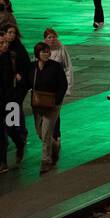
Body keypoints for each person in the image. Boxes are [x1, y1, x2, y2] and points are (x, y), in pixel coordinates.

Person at [0, 32, 28, 174]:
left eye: (6, 42)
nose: (5, 45)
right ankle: (2, 162)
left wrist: (17, 94)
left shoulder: (13, 57)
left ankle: (20, 144)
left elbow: (24, 76)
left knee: (11, 129)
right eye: (1, 43)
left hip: (10, 102)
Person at [30, 41, 66, 173]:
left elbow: (63, 85)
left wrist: (57, 100)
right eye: (42, 52)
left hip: (52, 104)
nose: (45, 54)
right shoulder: (33, 67)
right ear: (37, 54)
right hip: (38, 104)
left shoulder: (55, 66)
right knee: (40, 133)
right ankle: (55, 147)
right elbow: (27, 83)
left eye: (47, 51)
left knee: (45, 133)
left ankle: (46, 160)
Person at [42, 28, 72, 152]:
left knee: (55, 112)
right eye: (49, 37)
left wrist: (68, 87)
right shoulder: (41, 49)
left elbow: (68, 67)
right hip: (44, 88)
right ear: (45, 39)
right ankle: (47, 135)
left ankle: (56, 135)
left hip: (57, 88)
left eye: (54, 37)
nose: (52, 39)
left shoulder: (61, 49)